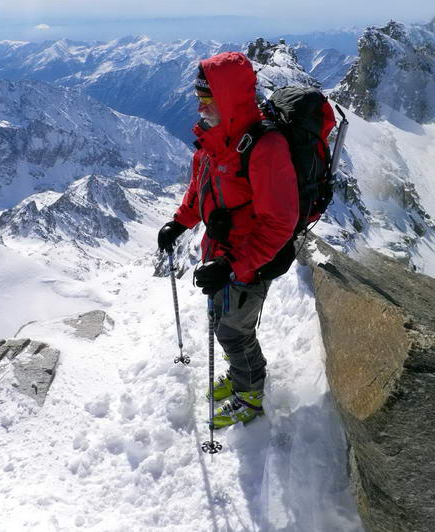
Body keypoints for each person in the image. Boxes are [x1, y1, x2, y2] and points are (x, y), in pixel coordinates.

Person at [157, 52, 298, 428]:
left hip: (252, 259)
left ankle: (250, 396)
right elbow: (199, 189)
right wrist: (180, 222)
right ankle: (242, 378)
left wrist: (232, 265)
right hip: (223, 253)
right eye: (198, 99)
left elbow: (280, 223)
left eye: (208, 99)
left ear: (229, 98)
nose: (200, 107)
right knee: (223, 320)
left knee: (234, 331)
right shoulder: (212, 141)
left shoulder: (264, 148)